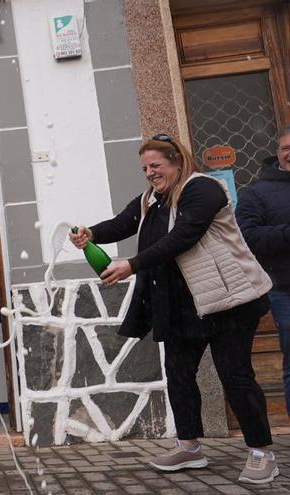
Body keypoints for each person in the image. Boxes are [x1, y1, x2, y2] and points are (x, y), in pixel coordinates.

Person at [69, 134, 276, 484]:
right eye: (145, 168)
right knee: (179, 376)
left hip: (228, 301)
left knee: (235, 376)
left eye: (156, 165)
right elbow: (123, 223)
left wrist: (131, 265)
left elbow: (183, 236)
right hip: (181, 304)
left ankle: (261, 453)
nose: (150, 173)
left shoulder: (203, 189)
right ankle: (190, 447)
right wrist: (92, 233)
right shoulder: (152, 198)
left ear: (177, 161)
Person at [237, 126, 290, 417]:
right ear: (278, 153)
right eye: (285, 147)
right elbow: (247, 238)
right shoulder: (257, 193)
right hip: (285, 290)